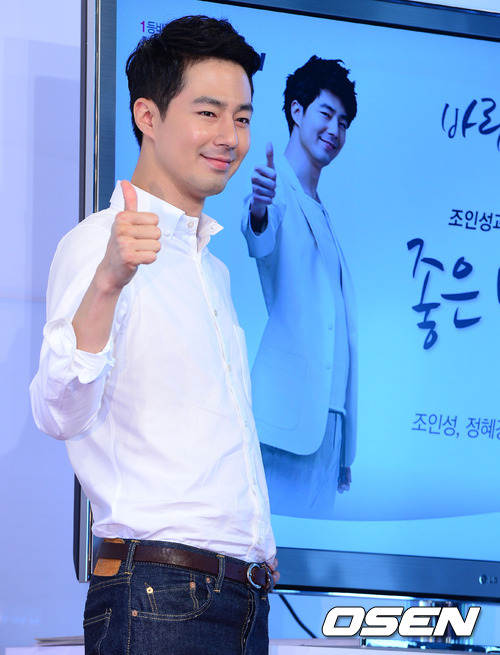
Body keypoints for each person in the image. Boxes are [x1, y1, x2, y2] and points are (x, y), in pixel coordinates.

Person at [30, 15, 278, 655]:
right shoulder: (99, 243)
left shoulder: (212, 268)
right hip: (160, 593)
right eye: (208, 113)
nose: (229, 137)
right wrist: (108, 281)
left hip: (240, 596)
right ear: (147, 115)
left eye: (242, 118)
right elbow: (58, 411)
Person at [241, 56, 358, 520]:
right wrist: (259, 208)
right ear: (296, 111)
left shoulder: (320, 206)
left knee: (313, 553)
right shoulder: (277, 192)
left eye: (343, 122)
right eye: (326, 114)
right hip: (285, 426)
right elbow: (261, 235)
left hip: (328, 428)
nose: (335, 130)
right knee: (266, 553)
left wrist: (344, 439)